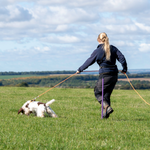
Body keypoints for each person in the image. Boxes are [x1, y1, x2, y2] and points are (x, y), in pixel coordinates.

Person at [76, 32, 127, 118]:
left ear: (98, 40)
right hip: (114, 75)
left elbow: (89, 61)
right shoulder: (113, 48)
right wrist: (124, 69)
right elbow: (122, 58)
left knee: (98, 92)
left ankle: (107, 107)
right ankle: (105, 117)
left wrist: (80, 69)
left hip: (104, 75)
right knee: (106, 95)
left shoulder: (97, 51)